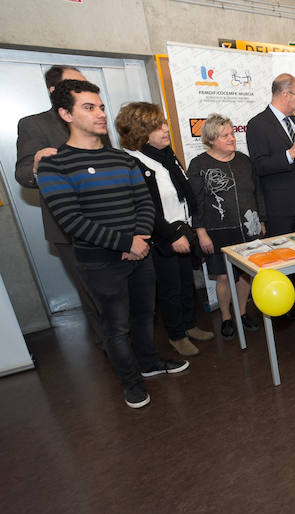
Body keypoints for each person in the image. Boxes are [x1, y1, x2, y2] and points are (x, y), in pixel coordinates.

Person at [36, 80, 190, 409]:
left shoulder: (122, 159)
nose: (100, 114)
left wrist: (138, 240)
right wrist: (125, 242)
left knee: (144, 315)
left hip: (139, 251)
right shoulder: (54, 164)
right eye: (88, 108)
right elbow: (71, 220)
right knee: (116, 326)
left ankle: (149, 363)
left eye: (101, 106)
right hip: (99, 262)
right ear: (65, 114)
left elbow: (145, 204)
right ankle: (131, 383)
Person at [115, 102, 214, 357]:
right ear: (139, 131)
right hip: (162, 237)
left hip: (183, 231)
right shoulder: (133, 161)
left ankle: (190, 324)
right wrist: (170, 235)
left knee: (186, 284)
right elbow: (145, 208)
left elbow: (182, 196)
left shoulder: (167, 155)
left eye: (164, 123)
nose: (165, 129)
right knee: (170, 288)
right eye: (156, 126)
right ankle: (176, 335)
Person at [16, 65, 104, 342]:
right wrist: (38, 165)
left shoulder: (96, 120)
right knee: (93, 295)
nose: (86, 89)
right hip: (70, 229)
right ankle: (112, 351)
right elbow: (23, 172)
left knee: (120, 291)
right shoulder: (34, 124)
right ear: (56, 92)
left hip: (109, 222)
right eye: (77, 85)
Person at [187, 114, 265, 340]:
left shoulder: (244, 160)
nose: (232, 138)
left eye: (232, 134)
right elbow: (196, 203)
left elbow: (256, 192)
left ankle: (241, 313)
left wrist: (260, 220)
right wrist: (200, 233)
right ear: (211, 139)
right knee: (222, 277)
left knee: (244, 276)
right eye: (225, 135)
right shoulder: (199, 165)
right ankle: (226, 317)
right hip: (217, 233)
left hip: (247, 230)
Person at [246, 73, 295, 320]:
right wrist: (290, 154)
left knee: (293, 255)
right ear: (285, 94)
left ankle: (289, 297)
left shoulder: (293, 122)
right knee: (278, 258)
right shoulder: (258, 124)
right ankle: (277, 306)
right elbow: (259, 166)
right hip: (276, 206)